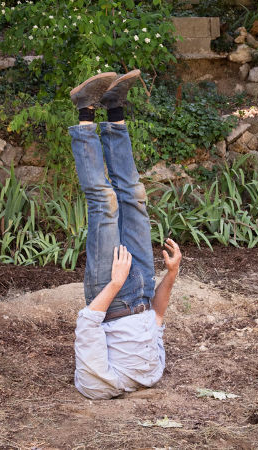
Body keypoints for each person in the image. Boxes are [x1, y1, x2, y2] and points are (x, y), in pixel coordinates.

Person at [68, 70, 182, 400]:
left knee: (104, 202)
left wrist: (116, 283)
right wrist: (171, 275)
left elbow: (87, 323)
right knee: (134, 194)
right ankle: (115, 108)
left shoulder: (100, 384)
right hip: (144, 286)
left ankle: (85, 111)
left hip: (110, 292)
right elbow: (157, 317)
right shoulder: (153, 372)